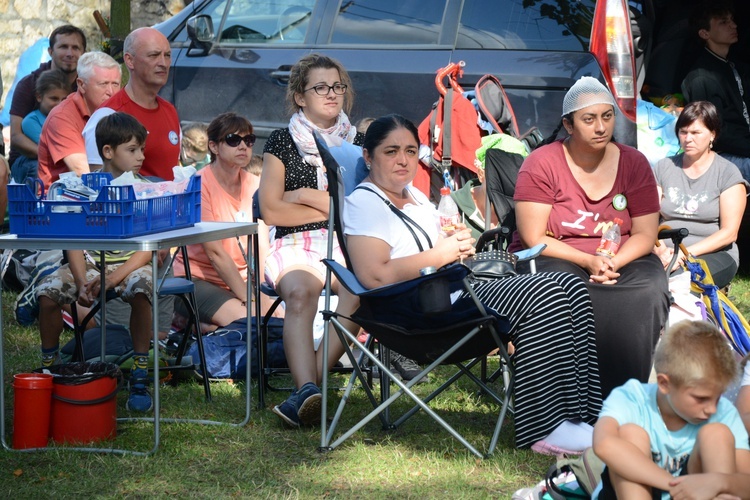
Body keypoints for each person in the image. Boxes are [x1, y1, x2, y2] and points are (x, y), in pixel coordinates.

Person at [345, 114, 603, 449]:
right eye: (391, 151)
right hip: (414, 311)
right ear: (368, 157)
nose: (403, 160)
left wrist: (458, 247)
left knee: (570, 286)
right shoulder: (365, 202)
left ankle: (582, 416)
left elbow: (442, 249)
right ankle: (545, 427)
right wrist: (442, 254)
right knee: (546, 292)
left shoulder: (417, 198)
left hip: (450, 292)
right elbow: (374, 275)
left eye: (410, 150)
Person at [511, 76, 670, 398]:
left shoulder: (634, 163)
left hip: (623, 255)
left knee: (648, 289)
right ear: (568, 125)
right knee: (561, 290)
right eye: (589, 119)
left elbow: (644, 233)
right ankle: (565, 398)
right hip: (555, 254)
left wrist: (612, 262)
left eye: (607, 116)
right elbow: (532, 236)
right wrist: (588, 261)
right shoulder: (541, 163)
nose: (601, 127)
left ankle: (627, 397)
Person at [258, 53, 363, 428]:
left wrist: (301, 193)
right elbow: (272, 212)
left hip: (347, 241)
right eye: (320, 87)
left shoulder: (358, 142)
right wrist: (333, 205)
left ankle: (306, 392)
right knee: (301, 292)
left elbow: (362, 207)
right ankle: (306, 388)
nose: (331, 94)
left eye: (337, 86)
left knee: (360, 290)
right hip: (294, 242)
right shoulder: (282, 141)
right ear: (300, 97)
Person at [35, 112, 155, 412]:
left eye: (142, 149)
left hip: (130, 264)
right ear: (108, 151)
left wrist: (113, 279)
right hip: (88, 265)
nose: (140, 157)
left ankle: (140, 372)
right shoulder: (80, 189)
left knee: (142, 291)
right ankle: (50, 365)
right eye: (132, 149)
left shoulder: (147, 190)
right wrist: (79, 281)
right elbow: (73, 242)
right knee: (46, 294)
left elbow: (146, 251)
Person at [592, 320, 750, 499]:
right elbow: (603, 445)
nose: (712, 409)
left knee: (717, 434)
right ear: (664, 383)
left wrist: (719, 482)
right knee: (630, 433)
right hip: (631, 493)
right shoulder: (632, 397)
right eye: (701, 398)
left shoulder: (724, 412)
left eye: (718, 396)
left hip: (698, 490)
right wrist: (678, 486)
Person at [173, 112, 254, 331]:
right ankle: (193, 326)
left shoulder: (255, 184)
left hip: (243, 279)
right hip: (197, 279)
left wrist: (259, 290)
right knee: (251, 323)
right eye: (233, 140)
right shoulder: (199, 184)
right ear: (214, 147)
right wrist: (248, 298)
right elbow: (215, 253)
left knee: (281, 320)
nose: (243, 147)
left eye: (248, 140)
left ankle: (200, 327)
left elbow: (262, 244)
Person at [653, 101, 748, 290]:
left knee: (680, 281)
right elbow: (647, 217)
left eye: (696, 133)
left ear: (713, 134)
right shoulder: (664, 167)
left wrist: (683, 255)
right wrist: (659, 249)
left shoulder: (728, 173)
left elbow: (729, 233)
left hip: (714, 253)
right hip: (663, 250)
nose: (688, 138)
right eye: (683, 131)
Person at [83, 27, 180, 181]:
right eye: (154, 55)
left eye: (167, 55)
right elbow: (100, 185)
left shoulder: (170, 111)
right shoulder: (108, 114)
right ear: (129, 60)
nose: (163, 63)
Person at [681, 1, 750, 182]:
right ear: (705, 33)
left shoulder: (733, 66)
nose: (733, 25)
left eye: (731, 20)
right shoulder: (701, 78)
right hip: (725, 155)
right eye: (723, 22)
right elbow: (717, 133)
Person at [36, 51, 121, 187]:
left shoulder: (116, 111)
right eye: (103, 84)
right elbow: (83, 172)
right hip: (61, 202)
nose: (111, 92)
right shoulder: (62, 117)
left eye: (115, 84)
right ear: (81, 85)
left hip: (102, 196)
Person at [8, 25, 86, 170]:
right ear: (50, 51)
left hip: (74, 156)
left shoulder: (87, 86)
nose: (70, 53)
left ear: (84, 53)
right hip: (30, 160)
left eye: (75, 48)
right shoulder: (28, 84)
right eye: (63, 47)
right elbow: (16, 136)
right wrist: (55, 157)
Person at [10, 68, 70, 183]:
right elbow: (51, 148)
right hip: (31, 161)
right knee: (38, 166)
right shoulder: (31, 121)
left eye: (64, 99)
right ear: (39, 97)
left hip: (59, 159)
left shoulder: (67, 118)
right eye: (54, 99)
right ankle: (36, 198)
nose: (59, 104)